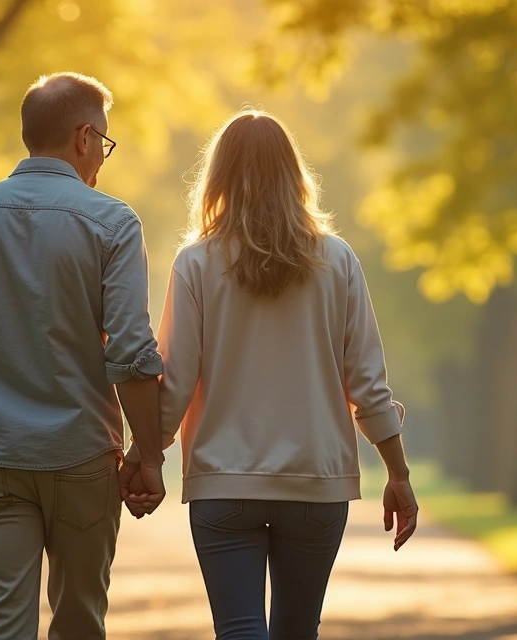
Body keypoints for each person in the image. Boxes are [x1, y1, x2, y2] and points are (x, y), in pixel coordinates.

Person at [122, 109, 420, 639]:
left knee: (239, 631)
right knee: (298, 632)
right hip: (316, 483)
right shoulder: (338, 260)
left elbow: (176, 378)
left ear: (218, 178)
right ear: (293, 173)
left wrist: (147, 455)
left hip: (223, 484)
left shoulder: (196, 263)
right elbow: (368, 383)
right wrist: (397, 473)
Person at [0, 72, 165, 640]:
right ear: (84, 137)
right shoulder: (113, 223)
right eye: (105, 144)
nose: (102, 159)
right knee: (79, 623)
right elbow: (133, 353)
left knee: (2, 625)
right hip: (83, 455)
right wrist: (149, 457)